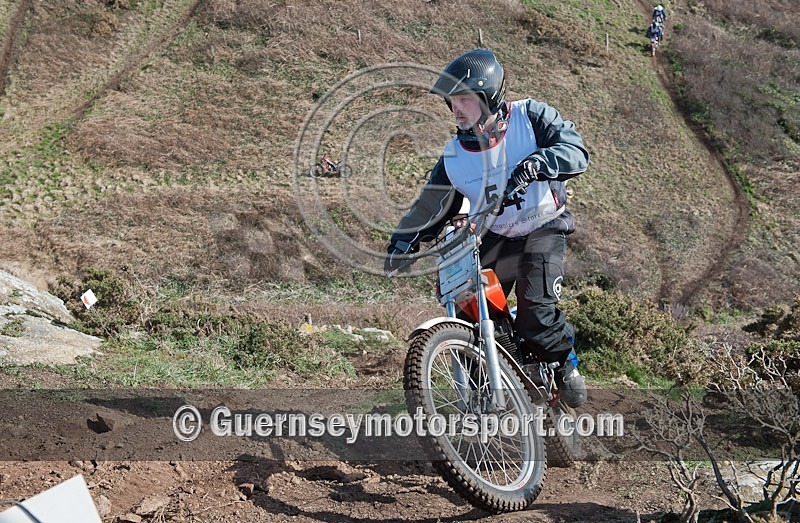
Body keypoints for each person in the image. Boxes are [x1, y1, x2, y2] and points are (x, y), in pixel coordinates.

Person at [383, 49, 589, 408]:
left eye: (464, 99)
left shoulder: (531, 116)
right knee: (467, 312)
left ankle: (563, 362)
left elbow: (576, 151)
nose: (456, 108)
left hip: (542, 227)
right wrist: (401, 243)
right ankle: (494, 384)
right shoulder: (454, 156)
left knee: (536, 312)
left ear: (489, 96)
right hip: (493, 234)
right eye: (452, 101)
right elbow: (431, 206)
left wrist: (540, 162)